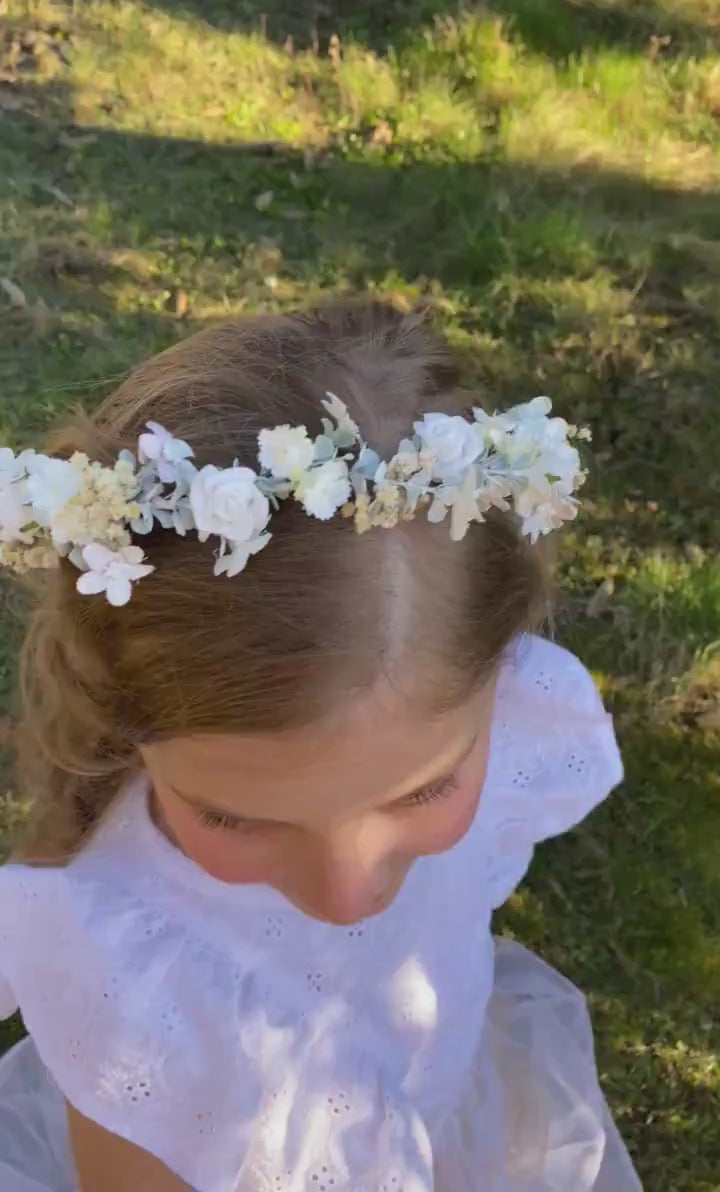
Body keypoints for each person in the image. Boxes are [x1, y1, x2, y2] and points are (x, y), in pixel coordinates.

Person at [0, 301, 642, 1191]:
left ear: (500, 678)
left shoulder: (511, 713)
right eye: (235, 817)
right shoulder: (128, 974)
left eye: (420, 793)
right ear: (126, 723)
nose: (348, 897)